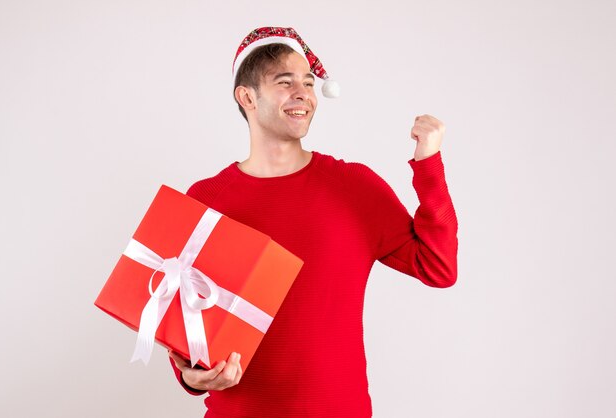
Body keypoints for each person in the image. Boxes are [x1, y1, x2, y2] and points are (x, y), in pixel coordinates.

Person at [168, 26, 458, 418]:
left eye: (308, 82)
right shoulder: (205, 200)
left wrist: (428, 166)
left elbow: (438, 268)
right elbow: (182, 326)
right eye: (285, 82)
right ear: (247, 96)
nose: (303, 92)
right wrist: (189, 375)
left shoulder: (354, 187)